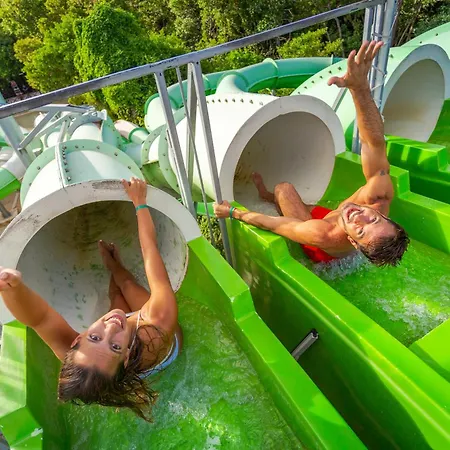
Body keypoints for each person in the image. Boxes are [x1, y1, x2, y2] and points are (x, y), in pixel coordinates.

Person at [0, 177, 183, 421]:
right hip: (156, 345)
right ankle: (115, 265)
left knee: (119, 294)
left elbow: (40, 319)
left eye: (94, 337)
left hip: (125, 363)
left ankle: (113, 265)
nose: (111, 328)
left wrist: (11, 288)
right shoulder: (158, 322)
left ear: (78, 339)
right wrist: (139, 202)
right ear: (125, 358)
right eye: (115, 346)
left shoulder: (81, 356)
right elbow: (149, 250)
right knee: (126, 287)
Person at [214, 41, 409, 267]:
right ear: (383, 215)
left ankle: (271, 197)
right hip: (332, 217)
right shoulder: (378, 197)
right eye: (372, 219)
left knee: (283, 189)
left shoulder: (322, 234)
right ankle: (271, 197)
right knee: (312, 207)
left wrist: (233, 212)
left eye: (361, 231)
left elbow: (274, 225)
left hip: (322, 252)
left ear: (354, 243)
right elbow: (374, 144)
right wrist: (360, 89)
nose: (359, 217)